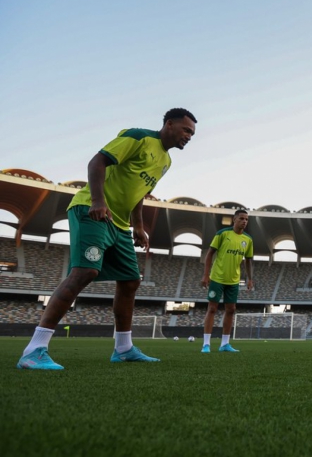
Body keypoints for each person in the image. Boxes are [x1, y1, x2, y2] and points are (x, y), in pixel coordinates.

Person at [17, 108, 197, 370]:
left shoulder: (166, 162)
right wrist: (98, 201)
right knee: (85, 271)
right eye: (186, 130)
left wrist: (138, 226)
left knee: (130, 281)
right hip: (92, 210)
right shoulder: (138, 137)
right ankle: (34, 349)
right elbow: (96, 162)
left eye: (192, 133)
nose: (189, 136)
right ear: (169, 124)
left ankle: (124, 349)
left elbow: (139, 193)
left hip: (119, 224)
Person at [201, 209, 254, 353]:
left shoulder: (248, 240)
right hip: (217, 278)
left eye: (246, 219)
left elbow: (248, 261)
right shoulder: (222, 234)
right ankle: (206, 344)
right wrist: (206, 275)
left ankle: (225, 344)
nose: (244, 221)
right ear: (234, 219)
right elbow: (210, 254)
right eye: (242, 218)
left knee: (231, 310)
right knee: (212, 308)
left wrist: (250, 279)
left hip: (233, 281)